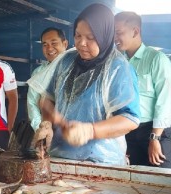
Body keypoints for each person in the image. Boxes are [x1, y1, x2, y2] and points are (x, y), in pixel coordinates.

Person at [27, 3, 140, 165]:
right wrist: (47, 124)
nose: (81, 43)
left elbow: (129, 119)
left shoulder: (118, 68)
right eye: (78, 36)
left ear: (104, 36)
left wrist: (90, 130)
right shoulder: (66, 61)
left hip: (101, 161)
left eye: (91, 38)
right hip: (59, 157)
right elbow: (47, 99)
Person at [115, 12, 171, 168]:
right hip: (127, 131)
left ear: (135, 31)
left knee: (160, 180)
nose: (115, 38)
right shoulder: (118, 62)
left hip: (154, 130)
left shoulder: (156, 59)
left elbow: (165, 100)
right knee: (132, 179)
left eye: (119, 33)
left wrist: (155, 138)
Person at [27, 27, 68, 131]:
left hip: (71, 128)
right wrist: (39, 128)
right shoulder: (38, 73)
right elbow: (32, 103)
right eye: (45, 45)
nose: (49, 48)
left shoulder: (75, 68)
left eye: (54, 43)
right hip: (46, 128)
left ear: (65, 44)